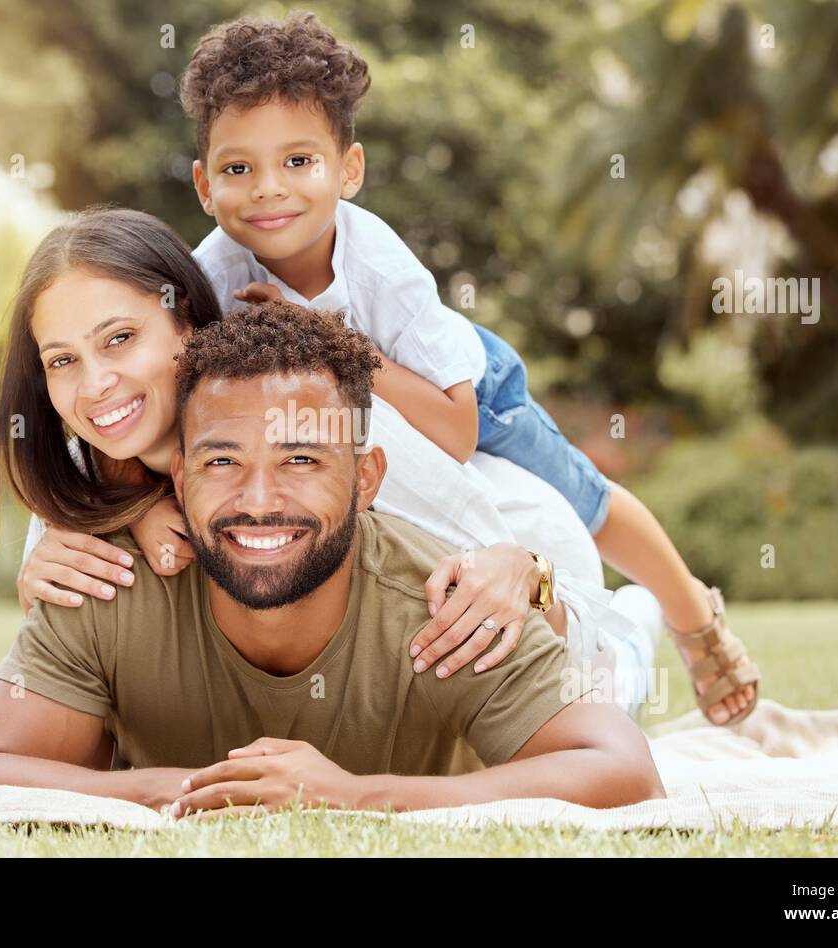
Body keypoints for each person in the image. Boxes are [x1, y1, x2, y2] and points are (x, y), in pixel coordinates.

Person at [175, 11, 759, 724]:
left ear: (349, 170)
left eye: (299, 161)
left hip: (468, 386)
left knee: (586, 501)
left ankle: (693, 616)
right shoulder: (207, 280)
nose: (268, 188)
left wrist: (326, 336)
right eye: (240, 168)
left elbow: (455, 432)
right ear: (205, 185)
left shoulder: (382, 267)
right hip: (360, 423)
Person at [0, 304, 665, 813]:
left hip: (551, 579)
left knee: (616, 671)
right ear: (178, 478)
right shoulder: (113, 582)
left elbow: (626, 769)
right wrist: (197, 788)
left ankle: (644, 619)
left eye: (302, 459)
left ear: (368, 479)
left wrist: (352, 796)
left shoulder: (449, 603)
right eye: (221, 462)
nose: (259, 499)